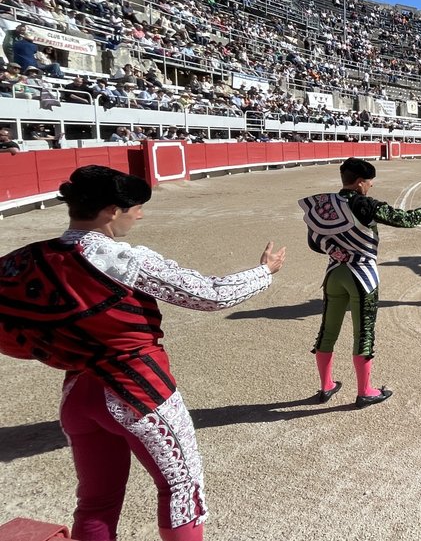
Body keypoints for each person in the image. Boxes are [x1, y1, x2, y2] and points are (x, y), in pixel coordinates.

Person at [0, 165, 286, 541]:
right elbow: (211, 295)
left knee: (96, 500)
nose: (140, 215)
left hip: (78, 394)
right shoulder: (122, 260)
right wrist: (263, 272)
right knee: (181, 490)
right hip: (138, 391)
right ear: (112, 211)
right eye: (136, 208)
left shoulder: (25, 260)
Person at [299, 158, 421, 409]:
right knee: (364, 332)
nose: (371, 186)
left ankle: (326, 386)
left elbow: (314, 243)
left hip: (334, 274)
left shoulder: (324, 204)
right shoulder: (365, 204)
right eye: (370, 182)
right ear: (360, 183)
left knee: (328, 330)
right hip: (362, 276)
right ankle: (365, 391)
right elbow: (406, 219)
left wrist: (336, 251)